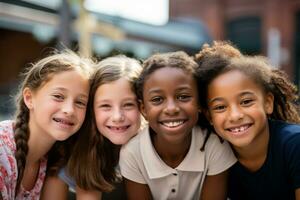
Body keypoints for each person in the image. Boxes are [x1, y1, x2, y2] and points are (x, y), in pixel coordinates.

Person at [119, 51, 237, 200]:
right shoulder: (132, 153)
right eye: (157, 99)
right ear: (143, 109)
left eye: (183, 97)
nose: (171, 108)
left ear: (200, 103)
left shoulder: (215, 146)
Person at [194, 41, 300, 200]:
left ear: (267, 103)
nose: (235, 115)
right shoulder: (213, 154)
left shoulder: (295, 144)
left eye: (246, 102)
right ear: (209, 117)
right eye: (220, 107)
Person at [41, 55, 143, 199]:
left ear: (143, 106)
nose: (117, 116)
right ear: (92, 110)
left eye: (128, 105)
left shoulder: (156, 147)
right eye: (105, 106)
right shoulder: (82, 152)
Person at [0, 49, 93, 200]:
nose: (69, 110)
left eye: (80, 102)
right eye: (58, 96)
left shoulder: (55, 159)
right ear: (29, 98)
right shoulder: (2, 150)